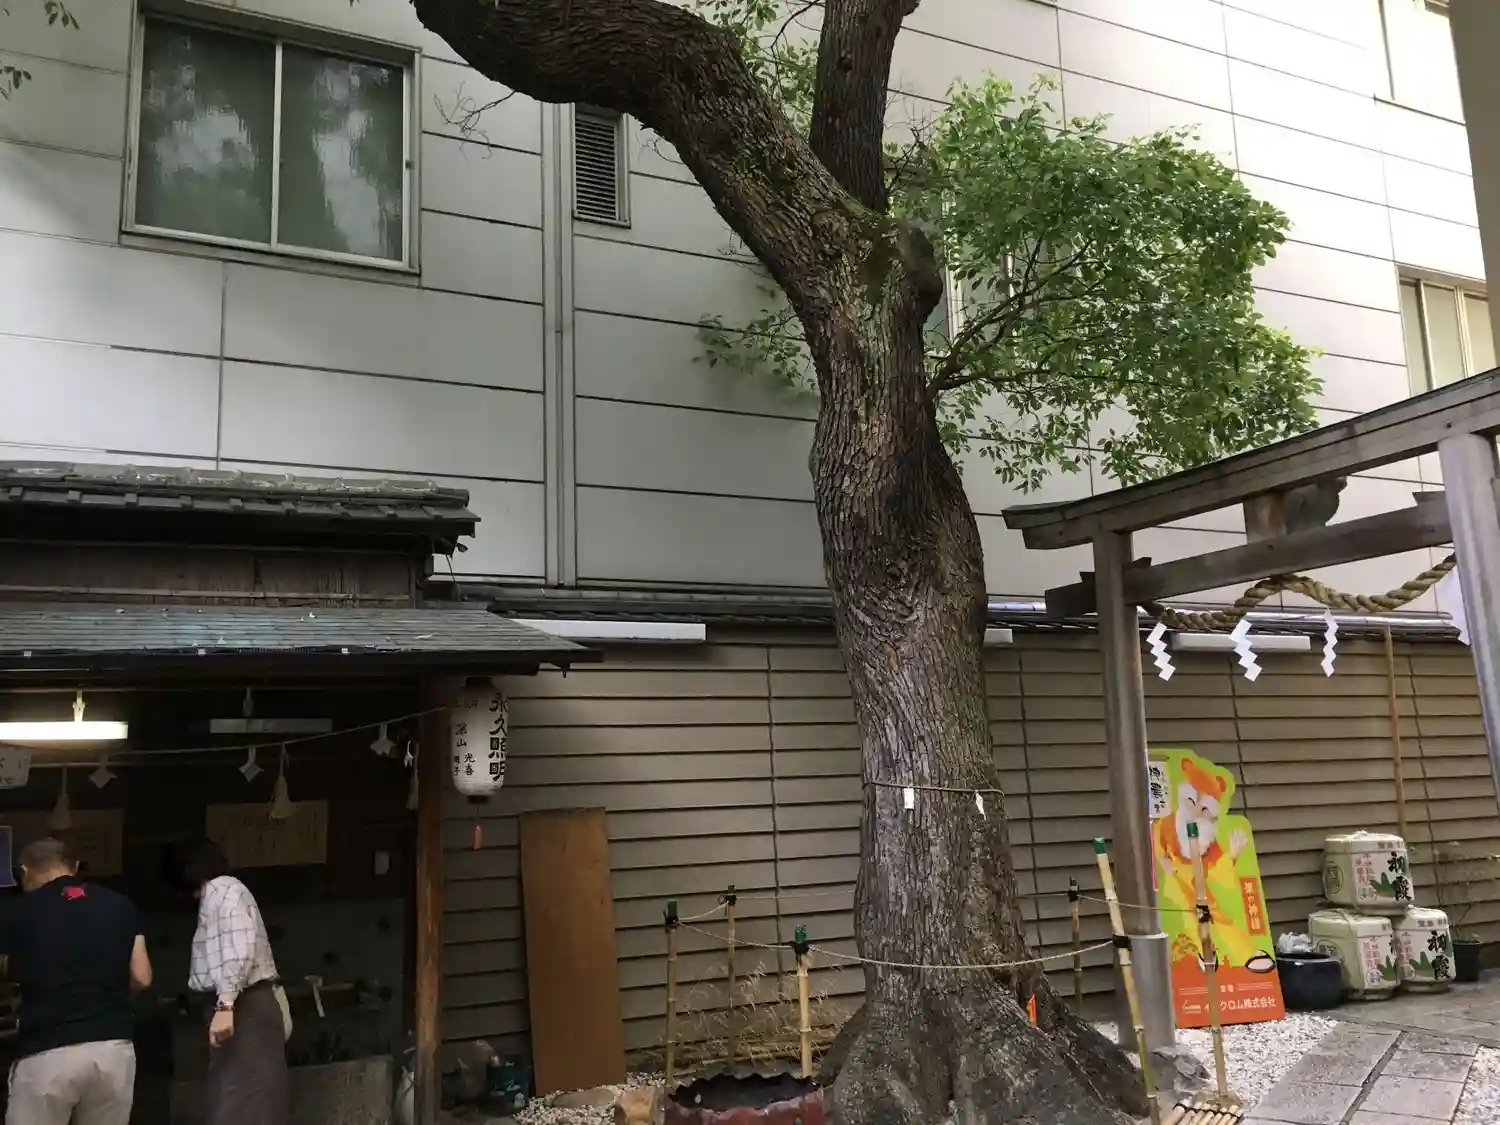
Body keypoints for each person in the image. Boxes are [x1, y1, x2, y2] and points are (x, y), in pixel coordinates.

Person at [0, 837, 151, 1125]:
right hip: (113, 1050)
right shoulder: (121, 905)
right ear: (76, 866)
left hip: (47, 1050)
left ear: (24, 872)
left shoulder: (15, 911)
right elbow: (142, 977)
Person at [175, 838, 289, 1125]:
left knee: (244, 1103)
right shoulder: (222, 892)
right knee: (240, 1099)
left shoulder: (224, 891)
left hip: (244, 1004)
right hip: (243, 1004)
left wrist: (225, 1005)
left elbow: (239, 949)